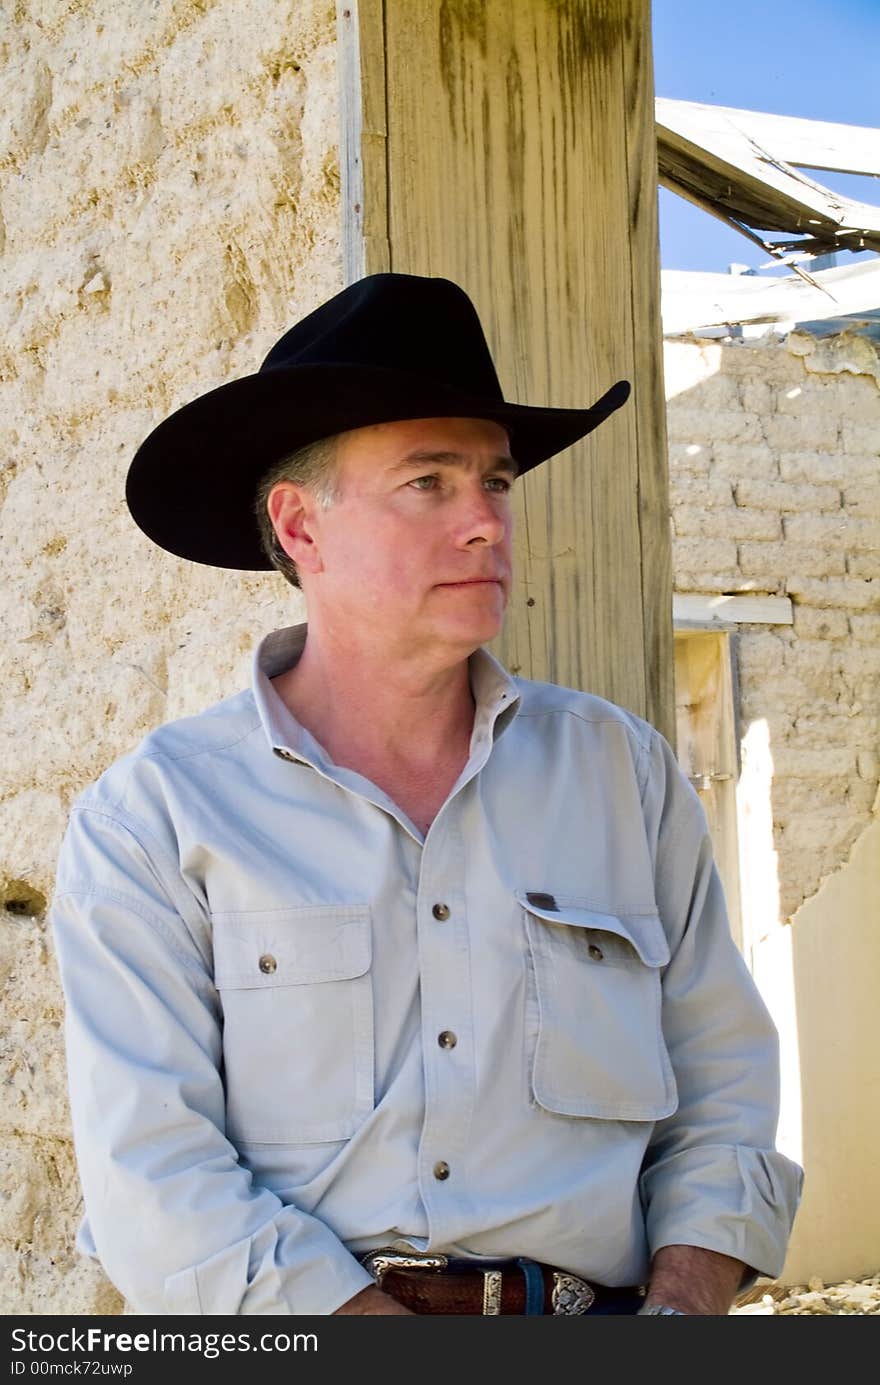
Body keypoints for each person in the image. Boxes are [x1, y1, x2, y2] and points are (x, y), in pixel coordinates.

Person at [51, 272, 803, 1317]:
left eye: (495, 483)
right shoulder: (157, 819)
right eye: (428, 483)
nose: (485, 523)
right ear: (300, 527)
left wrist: (684, 1298)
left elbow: (723, 1078)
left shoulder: (619, 775)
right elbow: (154, 1177)